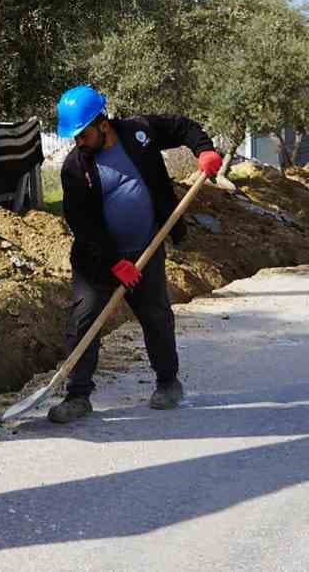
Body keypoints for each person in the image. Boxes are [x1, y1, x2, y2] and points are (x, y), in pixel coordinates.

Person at [46, 85, 222, 424]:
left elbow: (181, 127)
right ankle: (78, 395)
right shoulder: (74, 168)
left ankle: (168, 383)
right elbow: (83, 225)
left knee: (156, 315)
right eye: (75, 136)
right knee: (84, 320)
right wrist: (114, 263)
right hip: (98, 259)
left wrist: (204, 150)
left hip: (146, 247)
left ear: (102, 124)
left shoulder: (138, 132)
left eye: (82, 134)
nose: (78, 141)